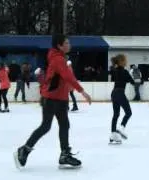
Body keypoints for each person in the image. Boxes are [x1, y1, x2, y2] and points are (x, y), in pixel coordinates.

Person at [14, 34, 91, 169]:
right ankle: (24, 150)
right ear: (59, 46)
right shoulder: (57, 59)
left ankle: (64, 154)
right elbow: (68, 76)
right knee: (46, 126)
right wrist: (82, 91)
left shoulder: (61, 58)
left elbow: (67, 77)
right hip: (50, 98)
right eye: (66, 43)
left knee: (64, 125)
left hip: (61, 98)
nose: (69, 45)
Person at [109, 54, 135, 144]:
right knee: (128, 113)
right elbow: (132, 82)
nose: (126, 62)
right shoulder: (125, 71)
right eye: (125, 60)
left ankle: (113, 135)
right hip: (120, 93)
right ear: (122, 61)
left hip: (114, 93)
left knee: (116, 114)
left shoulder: (115, 70)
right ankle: (121, 128)